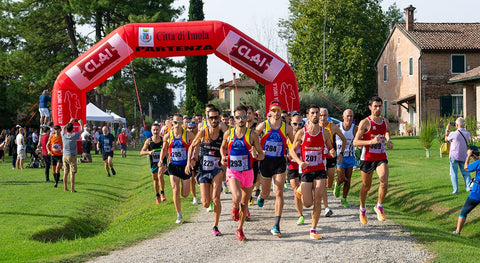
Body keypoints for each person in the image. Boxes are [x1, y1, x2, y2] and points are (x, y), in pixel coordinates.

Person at [289, 104, 335, 239]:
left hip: (320, 169)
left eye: (318, 113)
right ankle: (300, 191)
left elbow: (330, 149)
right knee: (307, 203)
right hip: (306, 170)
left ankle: (313, 229)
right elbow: (292, 151)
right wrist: (300, 162)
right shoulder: (302, 133)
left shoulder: (325, 132)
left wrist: (332, 152)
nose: (316, 116)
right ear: (307, 116)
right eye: (313, 113)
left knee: (319, 198)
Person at [220, 104, 264, 241]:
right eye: (238, 117)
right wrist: (223, 156)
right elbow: (222, 148)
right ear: (234, 118)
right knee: (237, 196)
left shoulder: (253, 135)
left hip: (247, 172)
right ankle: (234, 206)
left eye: (243, 116)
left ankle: (239, 229)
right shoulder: (228, 133)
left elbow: (261, 155)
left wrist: (256, 154)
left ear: (247, 117)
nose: (241, 119)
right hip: (233, 171)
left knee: (245, 203)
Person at [255, 101, 294, 237]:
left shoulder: (286, 128)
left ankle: (276, 225)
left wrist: (291, 151)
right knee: (267, 193)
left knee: (279, 192)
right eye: (274, 110)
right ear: (270, 112)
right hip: (266, 161)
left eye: (279, 110)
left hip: (279, 161)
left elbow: (294, 144)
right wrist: (257, 151)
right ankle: (261, 196)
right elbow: (252, 138)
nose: (276, 113)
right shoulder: (263, 125)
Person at [353, 96, 393, 225]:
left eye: (380, 106)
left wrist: (389, 140)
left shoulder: (385, 121)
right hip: (368, 158)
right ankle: (362, 209)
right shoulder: (365, 122)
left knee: (384, 182)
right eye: (375, 106)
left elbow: (386, 132)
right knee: (366, 186)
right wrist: (371, 141)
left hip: (381, 157)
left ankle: (379, 206)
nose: (378, 108)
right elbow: (355, 142)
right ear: (370, 107)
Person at [186, 107, 225, 236]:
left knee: (216, 199)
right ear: (207, 119)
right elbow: (192, 146)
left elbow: (228, 146)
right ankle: (205, 190)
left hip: (216, 169)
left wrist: (225, 159)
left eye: (216, 117)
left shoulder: (222, 133)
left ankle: (215, 226)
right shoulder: (203, 133)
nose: (214, 120)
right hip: (203, 170)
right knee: (205, 203)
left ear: (219, 118)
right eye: (211, 118)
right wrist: (189, 162)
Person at [159, 114, 195, 224]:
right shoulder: (168, 136)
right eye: (175, 122)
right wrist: (161, 160)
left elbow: (194, 147)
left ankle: (181, 206)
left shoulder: (188, 135)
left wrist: (193, 159)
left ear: (183, 124)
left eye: (180, 123)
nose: (177, 125)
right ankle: (178, 214)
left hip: (185, 166)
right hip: (173, 166)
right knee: (175, 189)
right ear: (171, 123)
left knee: (185, 194)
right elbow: (164, 149)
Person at [319, 108, 346, 217]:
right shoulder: (314, 127)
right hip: (319, 157)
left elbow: (344, 140)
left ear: (328, 116)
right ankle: (326, 206)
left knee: (329, 182)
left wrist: (341, 154)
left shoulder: (332, 126)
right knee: (322, 180)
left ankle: (324, 191)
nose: (322, 118)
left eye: (324, 115)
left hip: (330, 156)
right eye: (320, 115)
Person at [333, 109, 358, 207]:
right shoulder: (338, 127)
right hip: (340, 156)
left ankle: (344, 198)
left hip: (350, 156)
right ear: (343, 117)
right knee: (341, 177)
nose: (349, 118)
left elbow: (359, 139)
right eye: (347, 116)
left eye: (351, 116)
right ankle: (338, 184)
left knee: (348, 179)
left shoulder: (355, 128)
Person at [453, 148, 480, 235]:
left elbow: (466, 168)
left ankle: (457, 231)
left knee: (464, 211)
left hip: (476, 192)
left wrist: (468, 156)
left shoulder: (479, 163)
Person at [140, 123, 168, 204]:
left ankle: (162, 194)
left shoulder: (163, 140)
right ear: (151, 131)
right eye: (154, 130)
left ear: (160, 130)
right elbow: (141, 152)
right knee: (155, 179)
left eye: (157, 130)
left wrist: (167, 157)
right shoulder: (149, 141)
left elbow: (168, 150)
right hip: (153, 162)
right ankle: (157, 195)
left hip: (162, 161)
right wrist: (149, 152)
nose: (155, 131)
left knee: (160, 175)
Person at [287, 110, 305, 225]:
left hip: (303, 165)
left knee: (301, 190)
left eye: (300, 124)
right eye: (295, 124)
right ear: (291, 122)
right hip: (292, 165)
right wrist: (287, 154)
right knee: (295, 190)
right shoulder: (287, 135)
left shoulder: (304, 134)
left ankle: (305, 201)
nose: (297, 126)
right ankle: (301, 215)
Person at [445, 117, 471, 194]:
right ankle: (468, 188)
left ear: (456, 125)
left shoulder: (453, 134)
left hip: (454, 156)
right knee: (466, 173)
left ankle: (455, 190)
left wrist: (447, 129)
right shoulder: (467, 133)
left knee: (453, 173)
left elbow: (446, 139)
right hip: (463, 156)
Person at [62, 118, 84, 192]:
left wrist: (69, 122)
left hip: (64, 155)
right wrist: (80, 123)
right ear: (72, 129)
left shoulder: (63, 135)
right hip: (72, 155)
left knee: (65, 172)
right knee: (72, 172)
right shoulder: (74, 135)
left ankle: (65, 188)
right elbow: (81, 131)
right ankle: (72, 188)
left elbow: (63, 129)